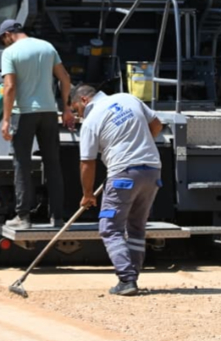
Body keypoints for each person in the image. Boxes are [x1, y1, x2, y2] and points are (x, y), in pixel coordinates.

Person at [70, 83, 163, 297]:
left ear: (84, 100)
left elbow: (87, 162)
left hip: (123, 174)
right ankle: (132, 276)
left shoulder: (91, 121)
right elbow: (156, 126)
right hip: (152, 171)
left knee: (110, 228)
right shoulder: (128, 98)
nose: (78, 115)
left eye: (76, 109)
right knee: (137, 227)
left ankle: (127, 279)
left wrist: (87, 194)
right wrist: (137, 145)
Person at [0, 19, 73, 228]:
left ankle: (23, 217)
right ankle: (57, 217)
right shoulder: (47, 47)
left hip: (23, 113)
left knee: (22, 164)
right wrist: (66, 107)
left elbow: (10, 86)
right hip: (49, 112)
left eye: (3, 40)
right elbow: (65, 78)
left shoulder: (10, 53)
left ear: (8, 35)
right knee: (53, 163)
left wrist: (5, 119)